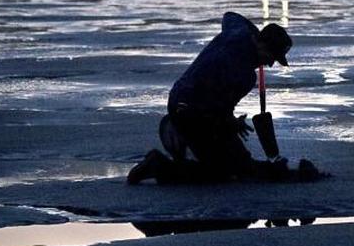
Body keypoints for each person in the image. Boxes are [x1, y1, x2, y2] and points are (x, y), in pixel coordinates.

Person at [128, 11, 320, 184]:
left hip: (179, 98)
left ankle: (180, 132)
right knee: (223, 173)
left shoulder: (239, 31)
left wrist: (252, 34)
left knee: (239, 161)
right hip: (193, 112)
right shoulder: (243, 74)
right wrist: (233, 124)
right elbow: (216, 109)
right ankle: (159, 164)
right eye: (271, 56)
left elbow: (230, 15)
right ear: (261, 43)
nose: (270, 64)